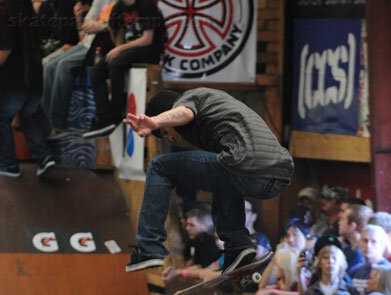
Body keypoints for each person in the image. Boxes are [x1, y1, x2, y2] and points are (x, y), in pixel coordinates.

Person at [124, 87, 294, 273]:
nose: (171, 138)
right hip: (277, 175)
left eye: (165, 132)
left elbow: (185, 113)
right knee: (221, 174)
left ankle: (148, 247)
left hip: (247, 162)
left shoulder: (190, 97)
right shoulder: (216, 107)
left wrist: (155, 121)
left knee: (159, 166)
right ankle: (238, 247)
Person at [83, 0, 166, 138]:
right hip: (130, 49)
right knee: (97, 70)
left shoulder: (147, 5)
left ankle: (115, 114)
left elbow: (147, 39)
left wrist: (119, 49)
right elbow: (112, 28)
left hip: (150, 50)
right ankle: (103, 117)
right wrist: (118, 45)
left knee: (116, 63)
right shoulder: (118, 6)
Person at [0, 0, 56, 177]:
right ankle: (44, 157)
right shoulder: (29, 12)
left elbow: (6, 49)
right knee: (29, 118)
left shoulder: (5, 13)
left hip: (15, 78)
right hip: (35, 76)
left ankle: (7, 164)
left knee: (0, 118)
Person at [42, 0, 113, 136]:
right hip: (86, 42)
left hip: (98, 44)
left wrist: (99, 25)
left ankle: (57, 122)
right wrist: (84, 21)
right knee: (47, 64)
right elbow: (85, 24)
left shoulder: (120, 4)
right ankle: (46, 120)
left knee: (63, 65)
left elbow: (115, 23)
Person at [349, 224, 389, 295]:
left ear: (382, 245)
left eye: (373, 242)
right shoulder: (354, 271)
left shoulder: (388, 272)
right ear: (359, 243)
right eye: (365, 241)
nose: (368, 245)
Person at [338, 203, 372, 273]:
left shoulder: (358, 255)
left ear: (352, 226)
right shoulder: (348, 249)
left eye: (342, 219)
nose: (339, 222)